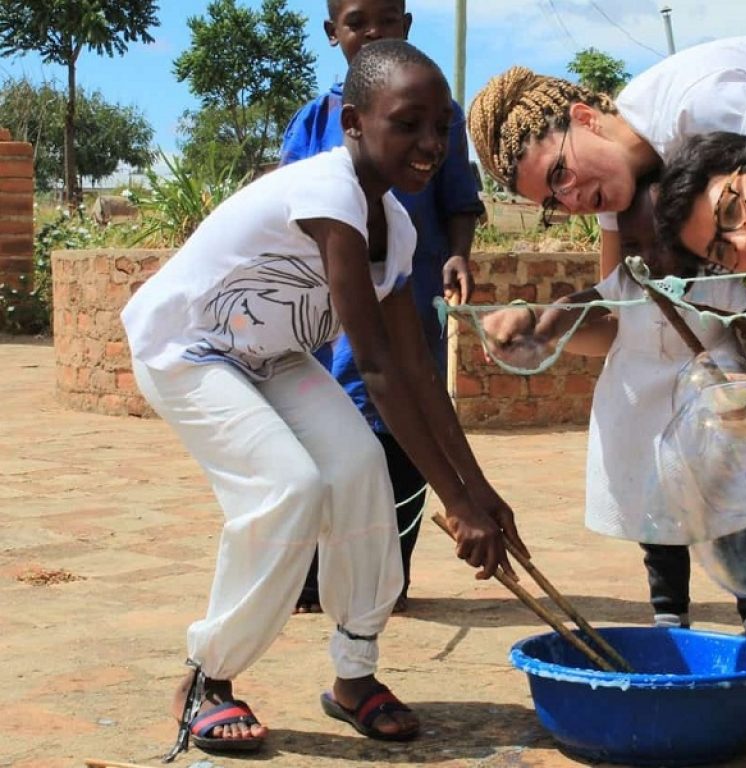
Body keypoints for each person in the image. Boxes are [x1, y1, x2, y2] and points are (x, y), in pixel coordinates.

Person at [120, 40, 524, 758]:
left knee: (362, 467)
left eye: (441, 126)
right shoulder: (330, 193)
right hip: (187, 349)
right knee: (288, 487)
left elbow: (418, 372)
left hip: (269, 354)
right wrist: (455, 504)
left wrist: (482, 492)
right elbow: (376, 368)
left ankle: (354, 675)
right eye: (409, 123)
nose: (430, 143)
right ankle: (207, 678)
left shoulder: (395, 228)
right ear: (353, 123)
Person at [480, 179, 746, 642]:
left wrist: (726, 315)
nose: (644, 256)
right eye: (633, 244)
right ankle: (669, 612)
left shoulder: (716, 274)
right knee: (656, 509)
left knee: (732, 506)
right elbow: (581, 302)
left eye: (655, 242)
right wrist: (543, 328)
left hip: (708, 399)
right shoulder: (628, 276)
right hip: (644, 406)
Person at [279, 0, 483, 615]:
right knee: (326, 448)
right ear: (332, 32)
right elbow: (290, 203)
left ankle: (388, 575)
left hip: (407, 299)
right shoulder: (315, 119)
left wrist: (459, 256)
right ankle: (315, 577)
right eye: (358, 21)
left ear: (408, 25)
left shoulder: (438, 116)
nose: (373, 32)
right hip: (332, 320)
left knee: (403, 437)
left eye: (387, 21)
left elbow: (459, 199)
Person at [467, 34, 746, 278]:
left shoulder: (693, 108)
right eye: (554, 204)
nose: (571, 199)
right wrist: (544, 318)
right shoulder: (610, 178)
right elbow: (618, 297)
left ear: (585, 118)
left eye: (559, 176)